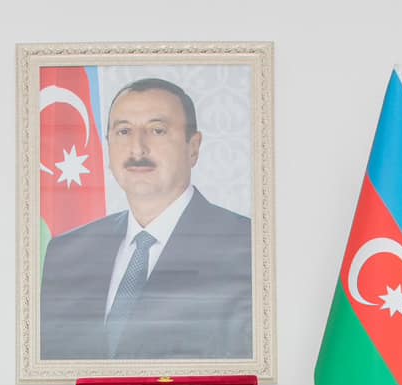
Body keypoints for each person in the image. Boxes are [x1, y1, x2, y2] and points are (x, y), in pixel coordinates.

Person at [39, 77, 253, 361]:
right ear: (107, 145)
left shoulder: (246, 246)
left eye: (157, 130)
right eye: (124, 131)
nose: (137, 149)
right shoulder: (66, 253)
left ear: (193, 147)